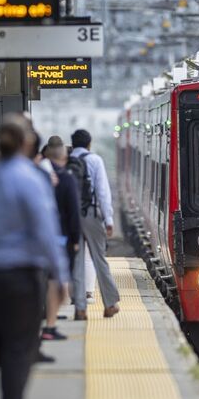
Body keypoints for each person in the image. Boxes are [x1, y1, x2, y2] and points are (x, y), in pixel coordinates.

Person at [0, 118, 69, 399]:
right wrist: (61, 275)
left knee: (1, 344)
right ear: (27, 142)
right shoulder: (29, 178)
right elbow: (45, 229)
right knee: (19, 348)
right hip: (22, 276)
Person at [68, 129, 121, 320]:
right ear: (89, 144)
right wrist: (109, 219)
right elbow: (102, 192)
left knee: (77, 261)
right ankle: (110, 304)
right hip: (91, 215)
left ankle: (80, 308)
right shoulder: (95, 160)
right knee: (99, 259)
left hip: (72, 218)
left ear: (73, 144)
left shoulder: (67, 161)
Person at [42, 140, 81, 341]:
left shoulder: (36, 175)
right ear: (65, 157)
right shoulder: (66, 179)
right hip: (60, 238)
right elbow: (73, 212)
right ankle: (50, 325)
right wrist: (75, 238)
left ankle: (48, 321)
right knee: (57, 284)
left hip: (38, 240)